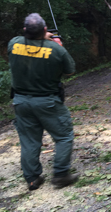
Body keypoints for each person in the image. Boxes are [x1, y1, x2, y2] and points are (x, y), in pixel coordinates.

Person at [8, 13, 79, 190]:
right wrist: (54, 43)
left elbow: (27, 42)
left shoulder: (13, 44)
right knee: (64, 136)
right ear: (46, 30)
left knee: (29, 141)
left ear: (25, 30)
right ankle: (61, 175)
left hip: (21, 102)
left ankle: (32, 179)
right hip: (48, 102)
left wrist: (42, 38)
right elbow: (70, 71)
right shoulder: (56, 49)